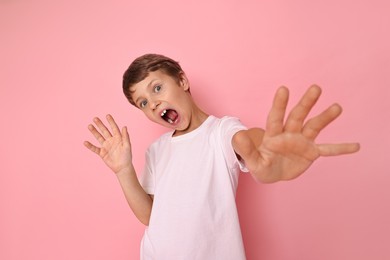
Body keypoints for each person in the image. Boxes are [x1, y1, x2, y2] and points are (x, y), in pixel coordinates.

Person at [84, 54, 360, 259]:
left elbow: (245, 140)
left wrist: (267, 150)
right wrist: (123, 171)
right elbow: (149, 216)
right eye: (143, 103)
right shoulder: (156, 150)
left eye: (157, 88)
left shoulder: (220, 131)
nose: (153, 103)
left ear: (182, 80)